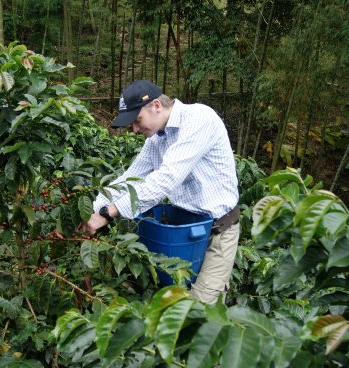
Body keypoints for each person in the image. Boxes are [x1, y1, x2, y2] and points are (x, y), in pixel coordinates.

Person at [81, 80, 240, 304]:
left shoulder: (199, 119)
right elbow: (131, 177)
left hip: (217, 231)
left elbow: (166, 180)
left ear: (156, 105)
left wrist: (110, 212)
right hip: (180, 231)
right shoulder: (157, 137)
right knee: (168, 301)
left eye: (137, 120)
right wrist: (96, 209)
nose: (135, 129)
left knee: (200, 312)